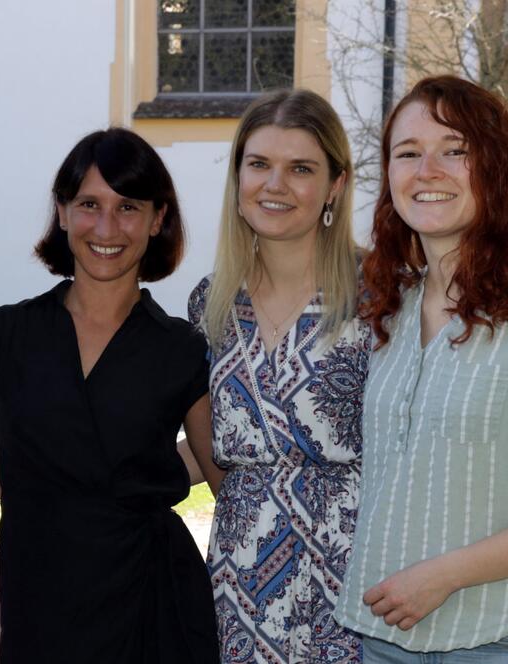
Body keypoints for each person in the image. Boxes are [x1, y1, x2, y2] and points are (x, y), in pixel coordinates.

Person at [0, 127, 218, 663]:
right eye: (88, 204)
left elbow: (224, 471)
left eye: (128, 206)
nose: (106, 227)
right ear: (61, 212)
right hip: (34, 603)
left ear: (158, 218)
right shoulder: (0, 339)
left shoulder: (183, 348)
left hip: (151, 606)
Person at [334, 76, 508, 661]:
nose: (426, 169)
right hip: (383, 638)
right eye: (408, 153)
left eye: (455, 150)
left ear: (498, 167)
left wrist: (446, 574)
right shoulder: (392, 306)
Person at [187, 89, 369, 663]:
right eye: (259, 164)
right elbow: (213, 445)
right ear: (238, 178)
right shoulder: (210, 304)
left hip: (357, 574)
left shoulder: (386, 296)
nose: (275, 184)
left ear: (335, 186)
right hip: (242, 579)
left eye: (301, 169)